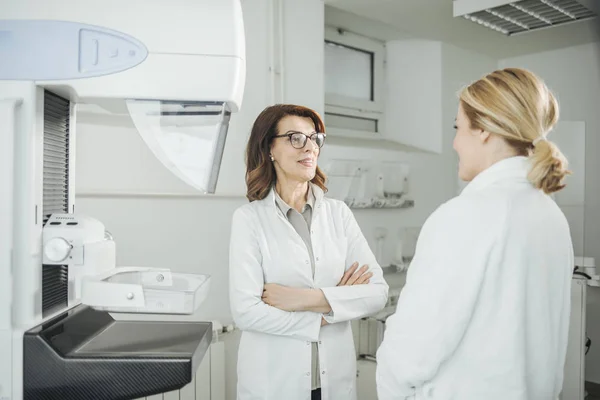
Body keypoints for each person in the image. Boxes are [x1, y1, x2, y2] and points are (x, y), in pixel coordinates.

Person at [376, 68, 574, 400]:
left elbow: (413, 347)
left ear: (482, 129)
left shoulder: (466, 215)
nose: (454, 142)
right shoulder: (549, 214)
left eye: (458, 127)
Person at [229, 104, 389, 400]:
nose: (310, 147)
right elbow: (246, 312)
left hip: (334, 382)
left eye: (314, 138)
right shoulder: (249, 219)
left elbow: (377, 293)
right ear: (269, 149)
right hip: (274, 383)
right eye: (295, 137)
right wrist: (330, 311)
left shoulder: (338, 214)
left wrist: (305, 299)